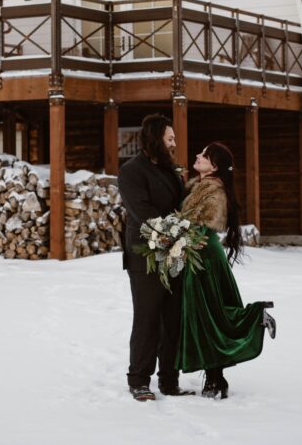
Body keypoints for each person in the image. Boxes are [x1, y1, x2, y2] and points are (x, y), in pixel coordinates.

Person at [176, 141, 276, 399]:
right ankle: (214, 379)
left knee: (209, 315)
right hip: (197, 254)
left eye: (204, 155)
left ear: (215, 166)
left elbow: (199, 228)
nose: (197, 156)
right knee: (207, 314)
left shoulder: (214, 191)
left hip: (203, 257)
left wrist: (171, 238)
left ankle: (255, 318)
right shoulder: (199, 186)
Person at [118, 113, 194, 401]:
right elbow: (142, 211)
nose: (174, 144)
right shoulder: (131, 171)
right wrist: (171, 232)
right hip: (144, 255)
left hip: (175, 254)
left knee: (172, 318)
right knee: (148, 318)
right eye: (170, 138)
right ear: (155, 138)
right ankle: (139, 379)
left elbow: (181, 206)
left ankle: (169, 380)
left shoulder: (169, 171)